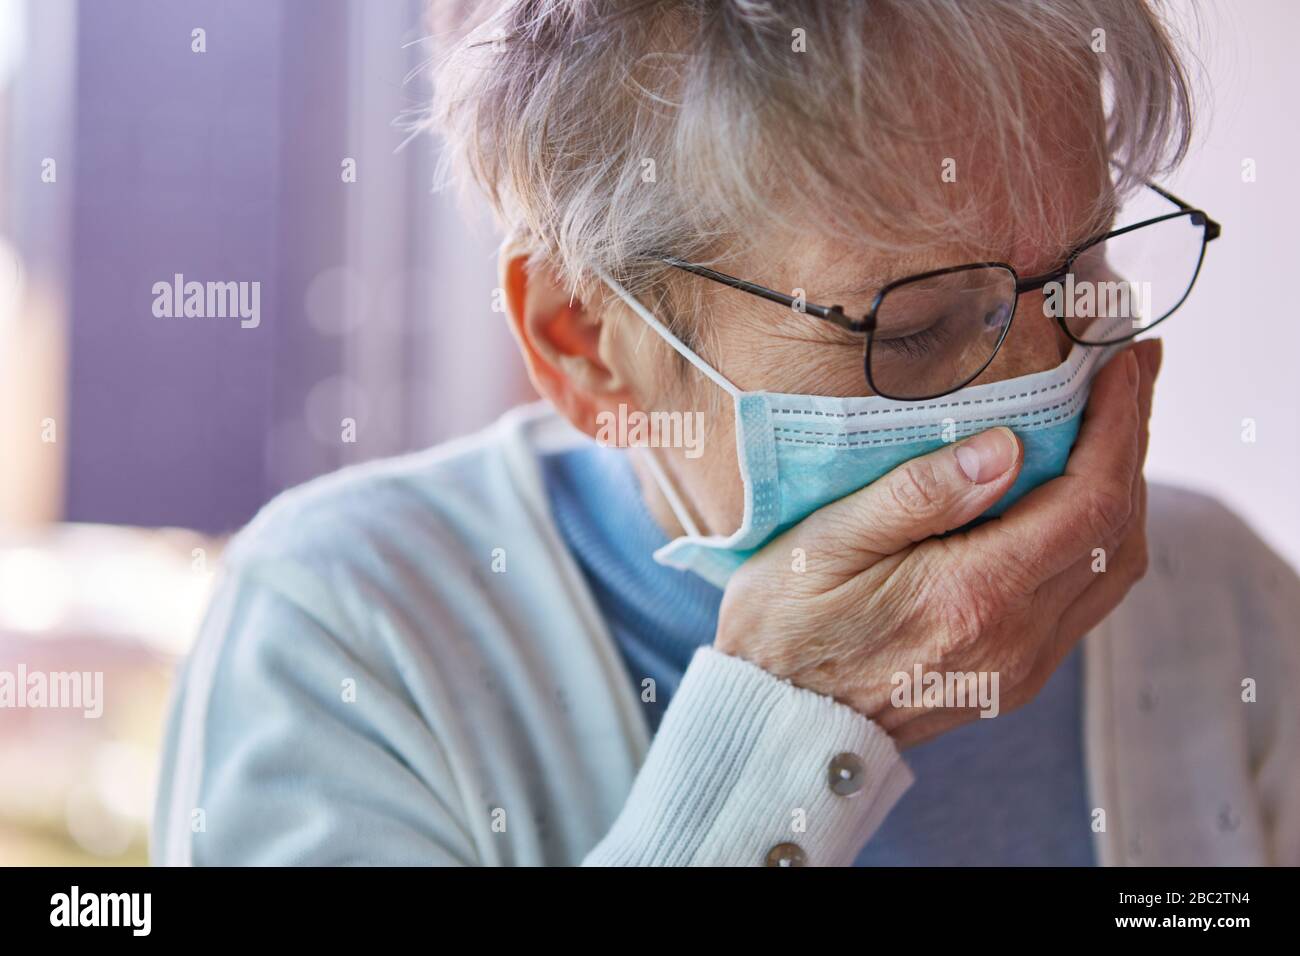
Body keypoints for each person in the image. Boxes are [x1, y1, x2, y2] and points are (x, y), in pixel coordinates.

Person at [153, 0, 1300, 866]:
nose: (1044, 376)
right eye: (916, 329)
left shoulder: (1225, 603)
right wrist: (791, 731)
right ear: (584, 343)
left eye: (1079, 269)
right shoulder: (348, 635)